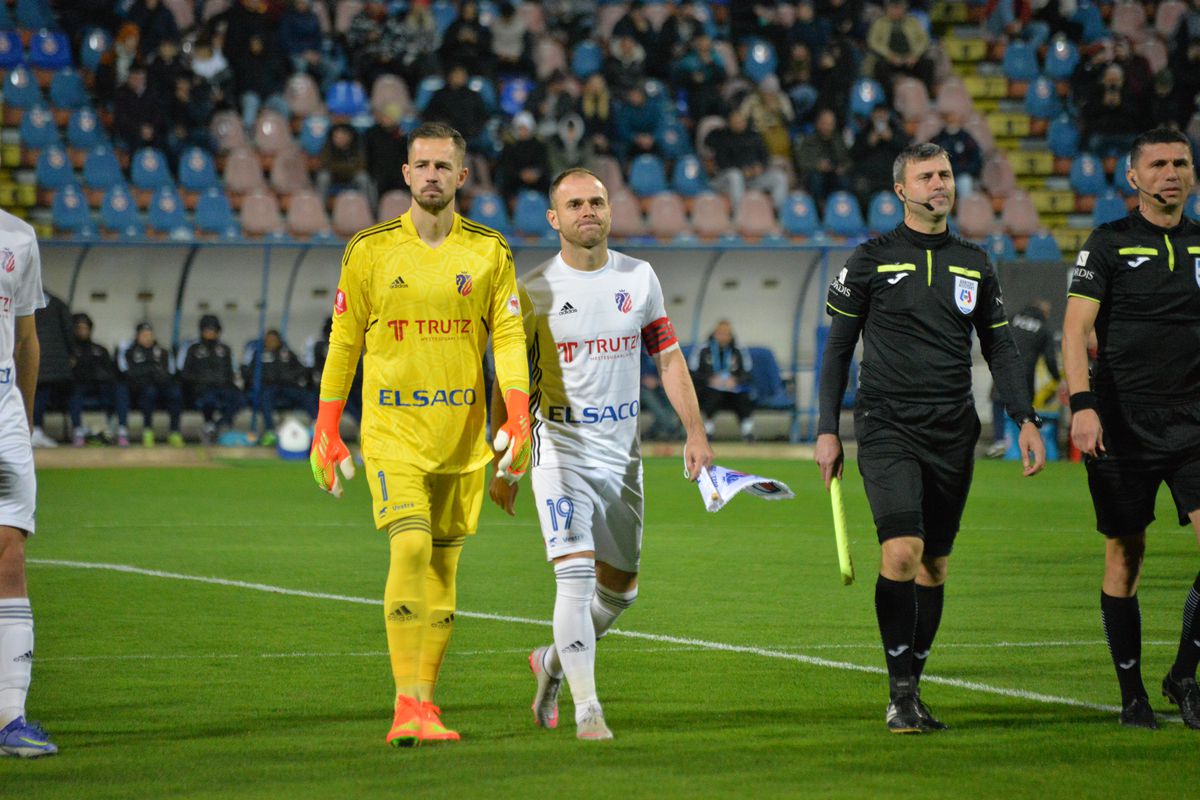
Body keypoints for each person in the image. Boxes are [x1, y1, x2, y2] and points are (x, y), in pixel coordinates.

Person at [309, 122, 531, 747]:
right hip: (393, 434)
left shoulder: (490, 250)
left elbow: (508, 339)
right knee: (409, 548)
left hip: (462, 441)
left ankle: (426, 704)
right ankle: (405, 703)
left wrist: (516, 415)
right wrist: (326, 426)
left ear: (463, 176)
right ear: (405, 174)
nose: (432, 175)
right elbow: (344, 343)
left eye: (443, 165)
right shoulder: (370, 249)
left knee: (442, 568)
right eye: (422, 165)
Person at [815, 142, 1045, 734]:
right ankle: (899, 695)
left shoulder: (975, 261)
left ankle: (911, 688)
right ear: (902, 191)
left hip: (953, 427)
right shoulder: (869, 259)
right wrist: (827, 430)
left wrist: (1025, 419)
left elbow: (1000, 346)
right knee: (901, 551)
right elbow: (838, 350)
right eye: (926, 176)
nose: (940, 184)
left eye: (945, 174)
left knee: (935, 566)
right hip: (887, 423)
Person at [489, 168, 713, 740]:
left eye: (597, 201)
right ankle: (588, 709)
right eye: (575, 204)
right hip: (558, 449)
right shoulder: (532, 290)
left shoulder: (639, 277)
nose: (588, 211)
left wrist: (695, 431)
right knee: (575, 578)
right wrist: (504, 460)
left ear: (610, 210)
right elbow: (507, 380)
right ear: (553, 218)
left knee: (619, 593)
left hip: (622, 456)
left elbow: (668, 357)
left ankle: (551, 663)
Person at [1062, 126, 1200, 731]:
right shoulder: (1108, 243)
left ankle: (1184, 674)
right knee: (1125, 556)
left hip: (1194, 423)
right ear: (1134, 177)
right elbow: (1074, 331)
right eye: (1160, 165)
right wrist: (1083, 405)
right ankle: (1132, 695)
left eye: (1181, 163)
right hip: (1123, 423)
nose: (1172, 174)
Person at [0, 207, 57, 757]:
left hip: (3, 410)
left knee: (10, 551)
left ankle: (10, 718)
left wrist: (26, 417)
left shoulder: (18, 236)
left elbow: (26, 339)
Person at [242, 328, 316, 445]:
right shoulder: (259, 354)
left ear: (279, 341)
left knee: (307, 396)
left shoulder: (287, 353)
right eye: (269, 340)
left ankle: (316, 425)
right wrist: (262, 378)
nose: (271, 342)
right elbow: (250, 373)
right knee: (265, 398)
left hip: (287, 386)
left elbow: (301, 369)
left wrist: (291, 376)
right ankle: (270, 431)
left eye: (274, 340)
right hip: (269, 387)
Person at [69, 313, 131, 447]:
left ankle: (122, 430)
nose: (82, 331)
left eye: (85, 328)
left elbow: (110, 372)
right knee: (74, 392)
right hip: (80, 386)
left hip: (101, 386)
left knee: (120, 389)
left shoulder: (100, 349)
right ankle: (78, 431)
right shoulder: (70, 350)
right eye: (79, 328)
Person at [689, 320, 756, 442]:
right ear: (714, 333)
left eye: (726, 334)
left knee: (744, 396)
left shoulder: (739, 350)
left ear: (731, 335)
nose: (723, 337)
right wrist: (710, 380)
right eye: (720, 333)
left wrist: (735, 380)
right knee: (711, 395)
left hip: (733, 389)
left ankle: (747, 431)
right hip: (709, 388)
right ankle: (708, 431)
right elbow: (692, 373)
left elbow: (748, 373)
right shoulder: (702, 349)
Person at [120, 322, 184, 447]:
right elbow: (127, 372)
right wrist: (148, 373)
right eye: (144, 335)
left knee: (175, 393)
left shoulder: (163, 352)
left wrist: (159, 376)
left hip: (162, 385)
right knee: (149, 393)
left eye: (149, 335)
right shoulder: (130, 352)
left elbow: (171, 372)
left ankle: (174, 431)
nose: (147, 338)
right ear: (137, 336)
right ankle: (147, 430)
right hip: (140, 388)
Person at [180, 314, 241, 444]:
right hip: (201, 387)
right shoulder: (193, 349)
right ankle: (210, 426)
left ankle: (217, 426)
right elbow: (184, 373)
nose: (210, 332)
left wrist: (228, 381)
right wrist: (200, 380)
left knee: (240, 399)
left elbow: (231, 371)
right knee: (208, 399)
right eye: (207, 329)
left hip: (223, 386)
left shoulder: (225, 349)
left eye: (213, 329)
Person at [31, 291, 72, 448]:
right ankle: (35, 431)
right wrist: (72, 352)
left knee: (34, 395)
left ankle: (33, 431)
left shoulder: (22, 298)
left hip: (31, 356)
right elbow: (68, 330)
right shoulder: (57, 303)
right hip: (52, 360)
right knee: (40, 395)